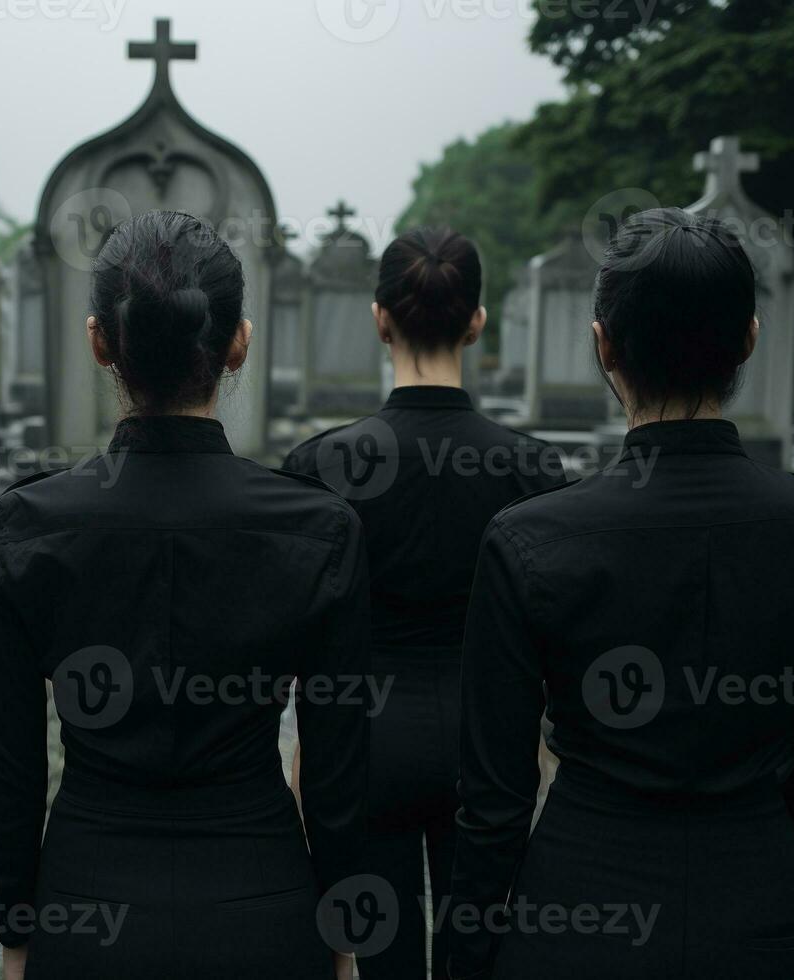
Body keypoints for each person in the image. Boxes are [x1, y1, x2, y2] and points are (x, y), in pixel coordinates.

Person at [448, 208, 794, 979]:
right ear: (748, 340)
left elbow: (495, 797)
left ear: (603, 344)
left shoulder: (530, 540)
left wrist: (465, 957)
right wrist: (782, 897)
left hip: (578, 907)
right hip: (758, 905)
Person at [0, 211, 370, 980]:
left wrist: (18, 931)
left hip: (87, 904)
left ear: (100, 342)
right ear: (238, 343)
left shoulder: (23, 526)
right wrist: (343, 935)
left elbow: (10, 763)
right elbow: (335, 767)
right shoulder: (321, 530)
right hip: (263, 904)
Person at [284, 227, 564, 979]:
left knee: (382, 962)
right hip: (492, 744)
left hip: (363, 742)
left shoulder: (321, 465)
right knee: (483, 952)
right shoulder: (533, 468)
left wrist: (308, 759)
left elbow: (306, 637)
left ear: (380, 320)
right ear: (477, 321)